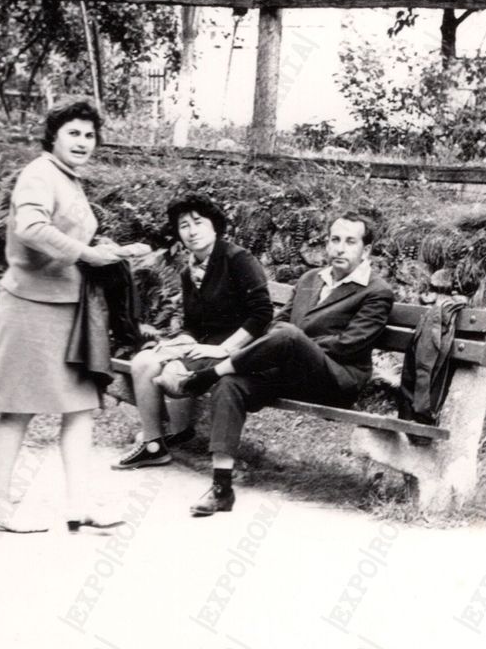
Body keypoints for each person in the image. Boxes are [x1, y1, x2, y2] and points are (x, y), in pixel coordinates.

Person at [161, 212, 394, 516]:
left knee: (288, 336)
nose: (340, 248)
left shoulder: (377, 291)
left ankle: (204, 375)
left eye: (351, 242)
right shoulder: (310, 279)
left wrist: (296, 345)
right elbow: (276, 324)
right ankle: (221, 488)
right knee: (231, 384)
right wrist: (288, 345)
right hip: (288, 371)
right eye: (335, 239)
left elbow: (347, 345)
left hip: (335, 380)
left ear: (366, 250)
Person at [0, 99, 139, 533]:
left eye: (90, 135)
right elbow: (30, 229)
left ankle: (78, 506)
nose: (83, 142)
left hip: (71, 310)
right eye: (73, 133)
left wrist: (107, 252)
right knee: (17, 409)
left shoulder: (68, 179)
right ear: (53, 136)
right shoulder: (39, 173)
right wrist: (87, 253)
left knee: (80, 408)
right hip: (29, 308)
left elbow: (65, 235)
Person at [112, 194, 272, 470]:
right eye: (184, 225)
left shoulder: (238, 259)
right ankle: (153, 445)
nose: (192, 231)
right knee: (144, 361)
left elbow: (262, 314)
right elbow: (194, 325)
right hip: (204, 346)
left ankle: (180, 431)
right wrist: (179, 342)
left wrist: (224, 348)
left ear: (214, 226)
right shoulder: (190, 272)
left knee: (172, 375)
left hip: (242, 350)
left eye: (198, 222)